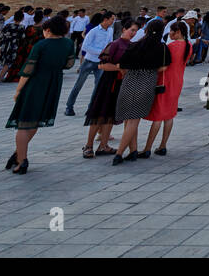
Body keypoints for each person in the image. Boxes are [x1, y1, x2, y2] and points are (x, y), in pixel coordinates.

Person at [5, 16, 76, 175]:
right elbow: (69, 64)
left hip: (36, 84)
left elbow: (28, 70)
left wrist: (18, 90)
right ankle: (19, 153)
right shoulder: (68, 43)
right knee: (35, 121)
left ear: (48, 30)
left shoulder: (41, 45)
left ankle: (22, 161)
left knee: (24, 122)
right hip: (53, 83)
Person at [112, 19, 168, 164]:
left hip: (130, 81)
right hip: (147, 82)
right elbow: (164, 67)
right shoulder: (162, 48)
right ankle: (119, 154)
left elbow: (121, 64)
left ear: (147, 30)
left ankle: (133, 150)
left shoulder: (135, 45)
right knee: (134, 120)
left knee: (128, 118)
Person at [82, 20, 136, 158]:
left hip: (121, 84)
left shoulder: (132, 46)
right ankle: (88, 145)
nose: (133, 33)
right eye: (131, 30)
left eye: (135, 31)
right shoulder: (115, 44)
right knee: (99, 113)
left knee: (110, 115)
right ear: (124, 29)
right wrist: (119, 67)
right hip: (108, 83)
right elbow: (101, 65)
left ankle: (103, 145)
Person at [143, 20, 190, 156]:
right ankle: (163, 145)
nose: (169, 34)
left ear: (178, 32)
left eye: (171, 31)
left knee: (158, 115)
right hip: (177, 82)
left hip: (165, 82)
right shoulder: (188, 46)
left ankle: (147, 148)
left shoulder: (170, 47)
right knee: (169, 115)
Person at [66, 12, 113, 115]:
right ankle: (69, 107)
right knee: (79, 85)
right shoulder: (94, 31)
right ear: (105, 19)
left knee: (98, 86)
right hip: (89, 61)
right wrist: (100, 52)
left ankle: (91, 107)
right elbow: (85, 46)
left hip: (101, 63)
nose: (113, 21)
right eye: (111, 19)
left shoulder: (110, 30)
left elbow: (110, 44)